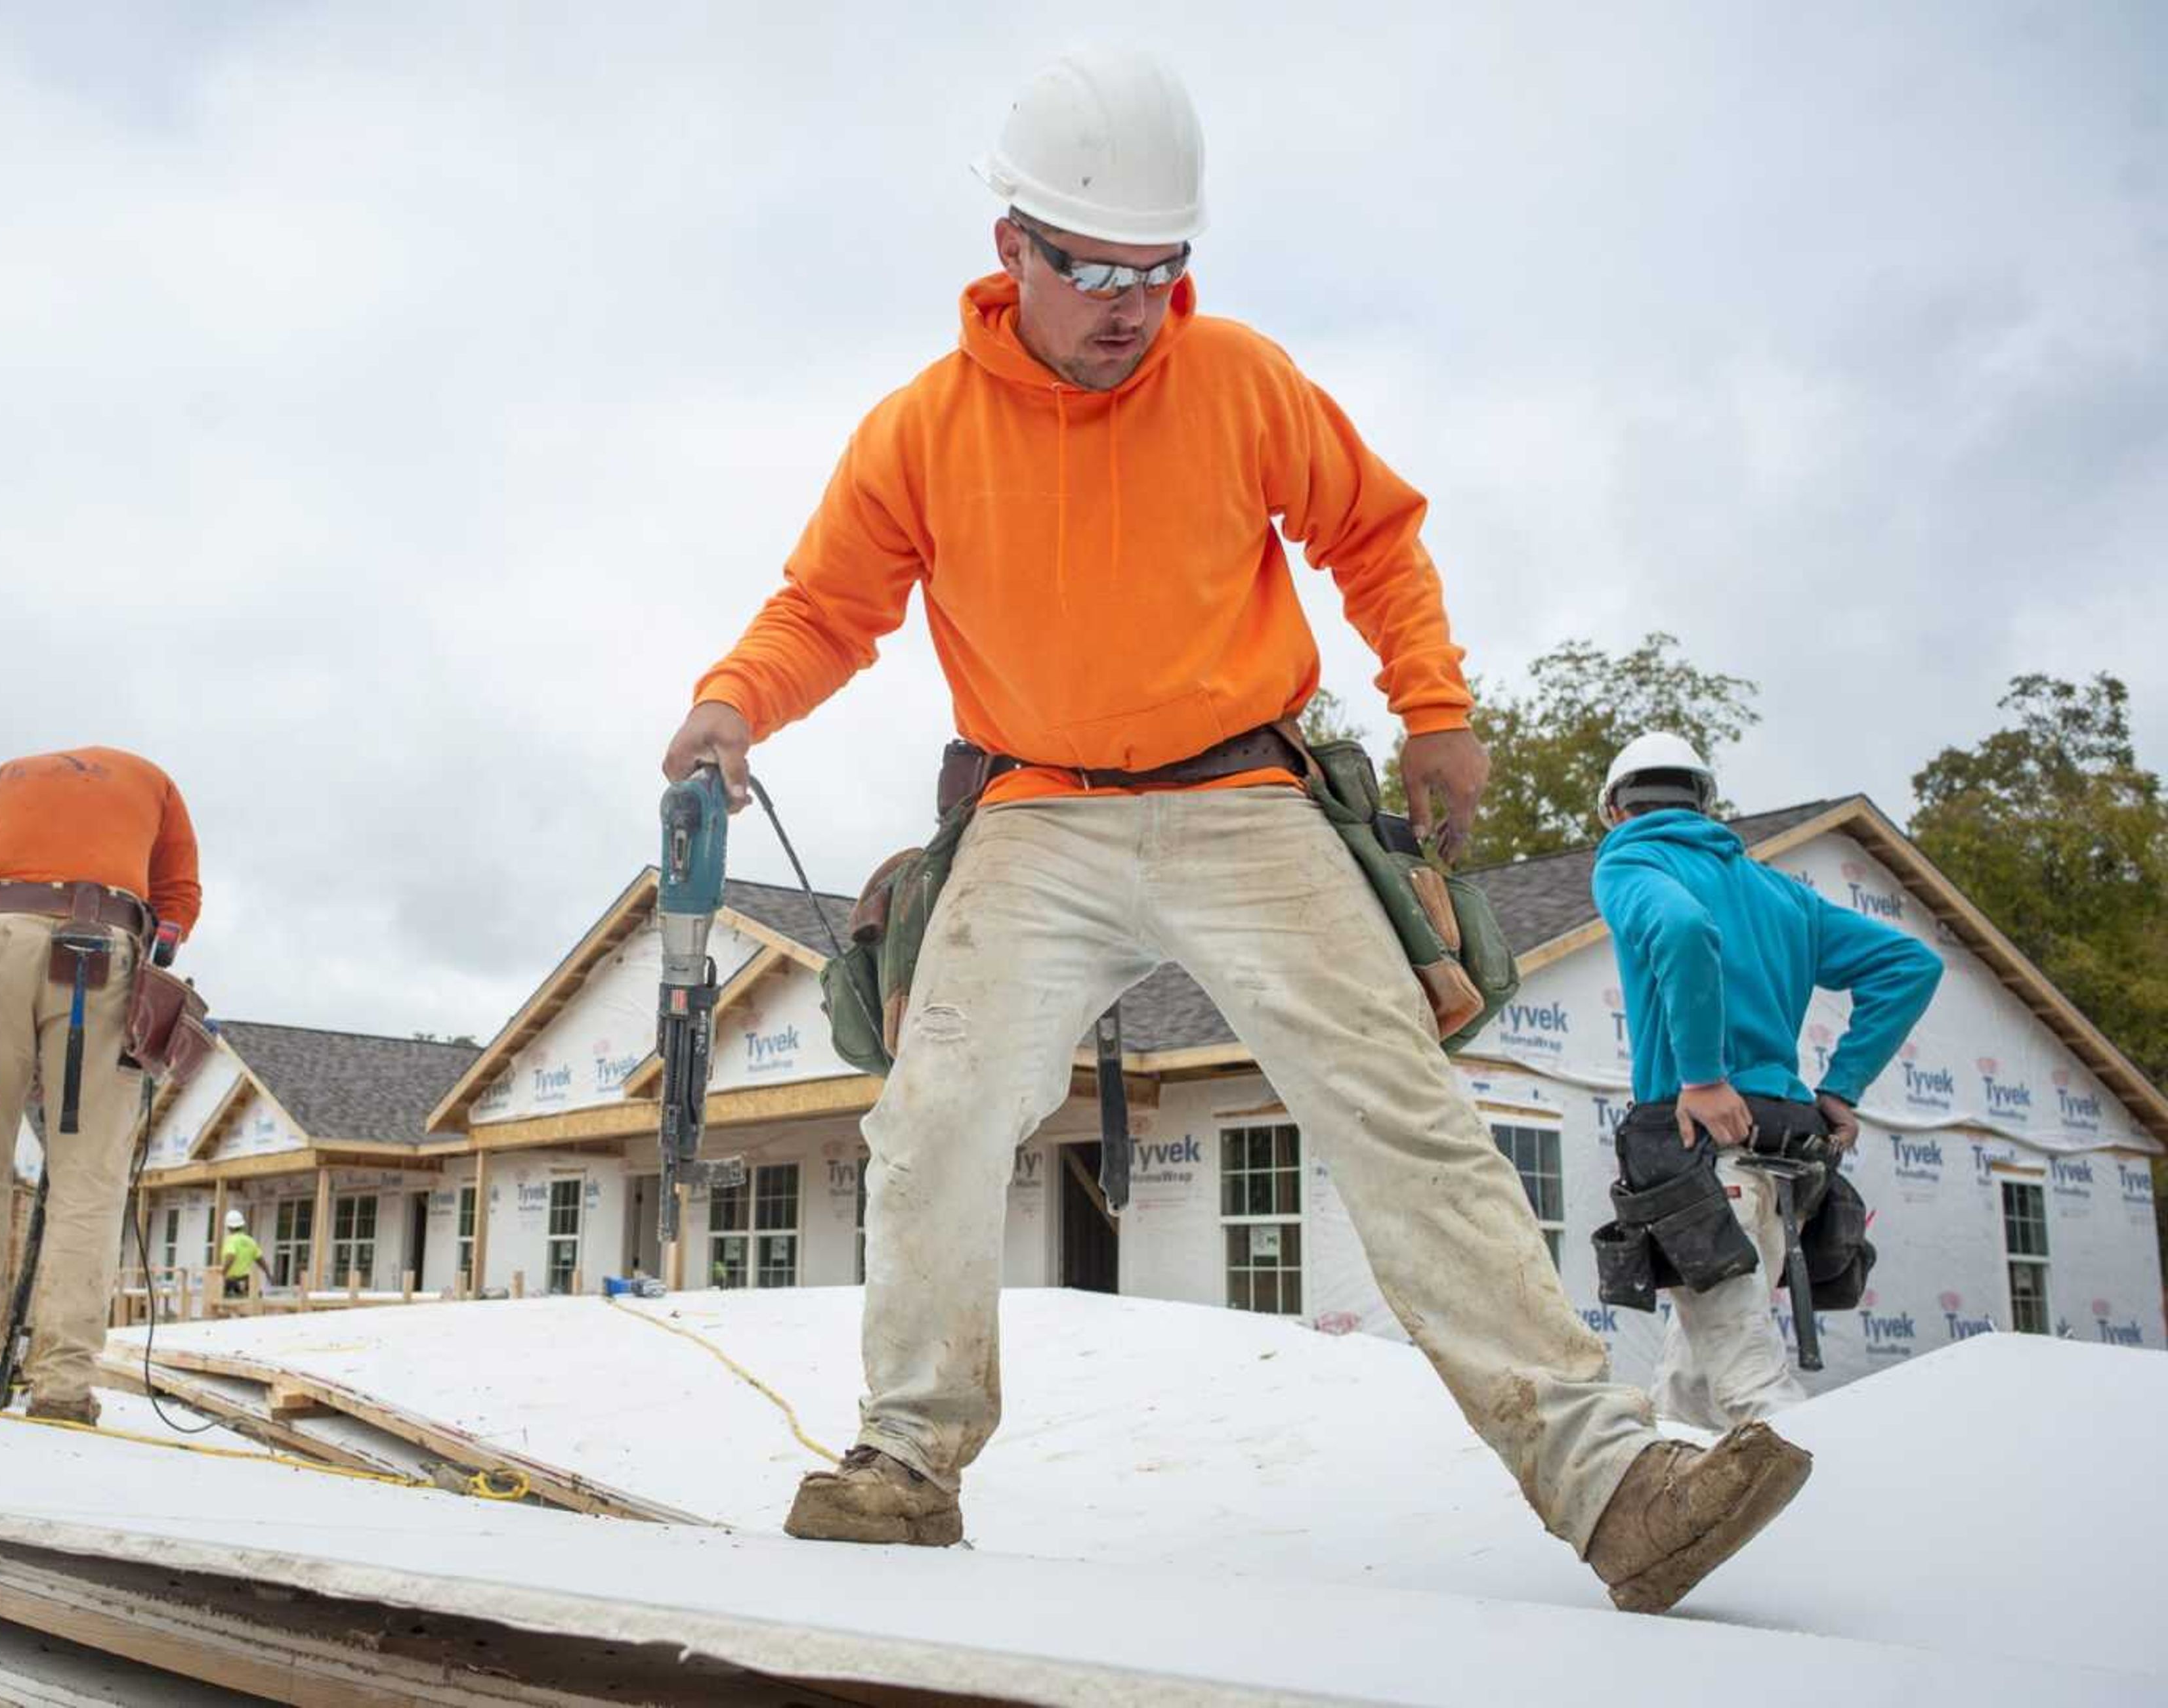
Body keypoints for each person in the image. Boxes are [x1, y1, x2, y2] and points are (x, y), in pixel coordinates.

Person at [661, 47, 1809, 1613]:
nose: (1130, 302)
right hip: (1033, 808)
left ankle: (1616, 1484)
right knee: (930, 1118)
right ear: (1011, 249)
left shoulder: (1241, 379)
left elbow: (1374, 532)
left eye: (1160, 267)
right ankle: (905, 1466)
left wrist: (1436, 702)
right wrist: (733, 701)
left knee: (1401, 1104)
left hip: (1243, 794)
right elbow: (824, 607)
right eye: (1093, 269)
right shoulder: (921, 432)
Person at [1592, 733, 1942, 1428]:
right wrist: (1842, 1087)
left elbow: (1685, 929)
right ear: (1707, 804)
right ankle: (1675, 1494)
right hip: (1783, 1158)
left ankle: (1819, 1510)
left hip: (1701, 1150)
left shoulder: (1630, 859)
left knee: (1747, 1369)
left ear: (1613, 807)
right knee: (1697, 1371)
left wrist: (1702, 1077)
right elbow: (1910, 964)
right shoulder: (1780, 892)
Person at [0, 746, 201, 1424]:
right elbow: (177, 904)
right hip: (100, 943)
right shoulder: (153, 778)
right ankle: (62, 1386)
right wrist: (149, 966)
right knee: (89, 1174)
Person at [218, 1207, 274, 1300]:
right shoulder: (250, 1241)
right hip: (248, 1282)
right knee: (250, 1308)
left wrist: (222, 1274)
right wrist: (268, 1273)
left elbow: (231, 1256)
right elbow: (260, 1260)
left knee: (227, 1308)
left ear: (228, 1227)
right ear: (242, 1225)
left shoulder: (231, 1240)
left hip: (233, 1283)